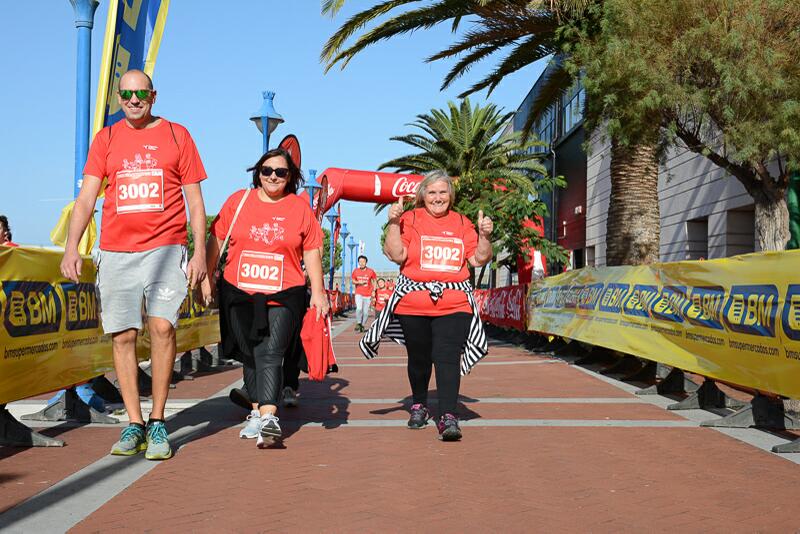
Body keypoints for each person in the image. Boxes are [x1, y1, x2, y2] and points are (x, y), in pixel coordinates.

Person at [60, 70, 208, 460]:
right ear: (119, 98)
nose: (133, 99)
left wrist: (200, 253)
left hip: (165, 248)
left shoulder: (178, 135)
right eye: (126, 93)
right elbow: (88, 197)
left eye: (140, 92)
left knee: (161, 327)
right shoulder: (106, 139)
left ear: (153, 96)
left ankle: (158, 421)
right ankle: (134, 423)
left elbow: (195, 201)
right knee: (123, 336)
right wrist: (71, 246)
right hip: (116, 251)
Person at [201, 147, 328, 448]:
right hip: (238, 290)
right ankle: (256, 411)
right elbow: (216, 240)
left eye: (280, 172)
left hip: (285, 292)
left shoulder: (299, 208)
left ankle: (269, 417)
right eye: (267, 170)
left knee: (271, 350)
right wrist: (206, 279)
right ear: (257, 173)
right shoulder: (238, 201)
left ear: (290, 177)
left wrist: (319, 292)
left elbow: (311, 251)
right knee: (250, 351)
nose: (273, 176)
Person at [360, 171, 493, 441]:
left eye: (443, 192)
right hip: (414, 304)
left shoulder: (462, 222)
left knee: (447, 358)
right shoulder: (410, 219)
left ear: (450, 196)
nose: (438, 198)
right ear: (422, 196)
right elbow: (397, 254)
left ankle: (448, 416)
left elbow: (479, 259)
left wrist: (484, 235)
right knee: (419, 358)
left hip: (454, 303)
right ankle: (419, 404)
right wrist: (394, 223)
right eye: (432, 192)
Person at [351, 255, 376, 331]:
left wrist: (374, 291)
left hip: (368, 294)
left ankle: (362, 325)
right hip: (359, 293)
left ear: (366, 262)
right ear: (358, 262)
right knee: (359, 308)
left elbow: (374, 280)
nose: (361, 263)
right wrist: (359, 282)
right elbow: (353, 281)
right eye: (360, 262)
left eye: (363, 261)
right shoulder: (355, 271)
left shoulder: (371, 271)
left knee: (365, 313)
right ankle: (358, 323)